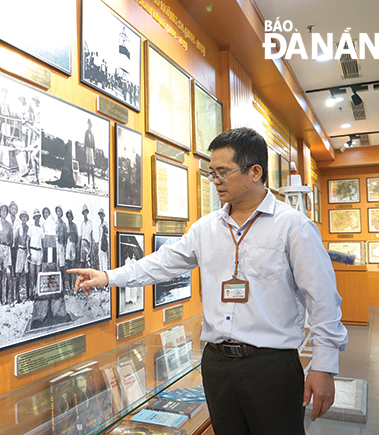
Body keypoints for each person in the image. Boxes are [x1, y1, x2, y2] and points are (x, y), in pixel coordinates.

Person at [68, 127, 348, 435]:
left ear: (255, 172)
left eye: (223, 172)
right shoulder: (206, 228)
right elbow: (161, 263)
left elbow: (322, 300)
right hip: (217, 364)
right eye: (212, 173)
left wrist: (324, 366)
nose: (215, 181)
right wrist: (108, 277)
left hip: (271, 366)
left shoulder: (293, 226)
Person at [0, 203, 13, 305]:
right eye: (2, 210)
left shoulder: (9, 225)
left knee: (8, 274)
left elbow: (11, 239)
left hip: (7, 248)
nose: (4, 212)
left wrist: (7, 245)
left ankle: (7, 299)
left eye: (5, 211)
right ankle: (0, 301)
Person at [27, 209, 44, 300]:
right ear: (34, 218)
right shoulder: (31, 227)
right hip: (32, 251)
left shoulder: (41, 229)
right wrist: (28, 252)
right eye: (36, 217)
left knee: (38, 274)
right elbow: (27, 240)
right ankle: (31, 293)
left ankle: (37, 292)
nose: (37, 218)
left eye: (38, 217)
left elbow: (43, 241)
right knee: (32, 274)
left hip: (39, 252)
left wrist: (43, 252)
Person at [13, 210, 30, 303]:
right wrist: (17, 254)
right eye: (22, 217)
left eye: (25, 217)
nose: (24, 219)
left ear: (27, 218)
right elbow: (15, 242)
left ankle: (27, 295)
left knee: (27, 273)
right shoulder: (18, 228)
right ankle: (17, 297)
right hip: (19, 251)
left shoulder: (28, 228)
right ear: (21, 218)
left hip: (26, 251)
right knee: (18, 274)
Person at [65, 209, 78, 293]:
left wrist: (74, 245)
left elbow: (76, 237)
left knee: (73, 266)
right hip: (67, 246)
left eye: (70, 216)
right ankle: (69, 287)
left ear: (72, 217)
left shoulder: (74, 226)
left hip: (73, 245)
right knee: (69, 267)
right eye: (68, 216)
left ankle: (74, 286)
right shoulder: (66, 226)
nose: (69, 218)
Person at [78, 204, 93, 269]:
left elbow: (91, 234)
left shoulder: (90, 222)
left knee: (88, 260)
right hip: (83, 242)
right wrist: (79, 244)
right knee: (82, 261)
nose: (85, 214)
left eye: (86, 212)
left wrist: (92, 245)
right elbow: (81, 235)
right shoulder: (82, 224)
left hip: (88, 242)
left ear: (87, 213)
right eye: (84, 212)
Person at [84, 118, 95, 189]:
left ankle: (93, 183)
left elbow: (94, 144)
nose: (89, 126)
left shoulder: (92, 134)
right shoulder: (86, 133)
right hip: (87, 149)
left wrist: (94, 154)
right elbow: (85, 142)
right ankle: (88, 182)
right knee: (88, 166)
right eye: (88, 124)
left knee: (92, 166)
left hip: (91, 150)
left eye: (90, 124)